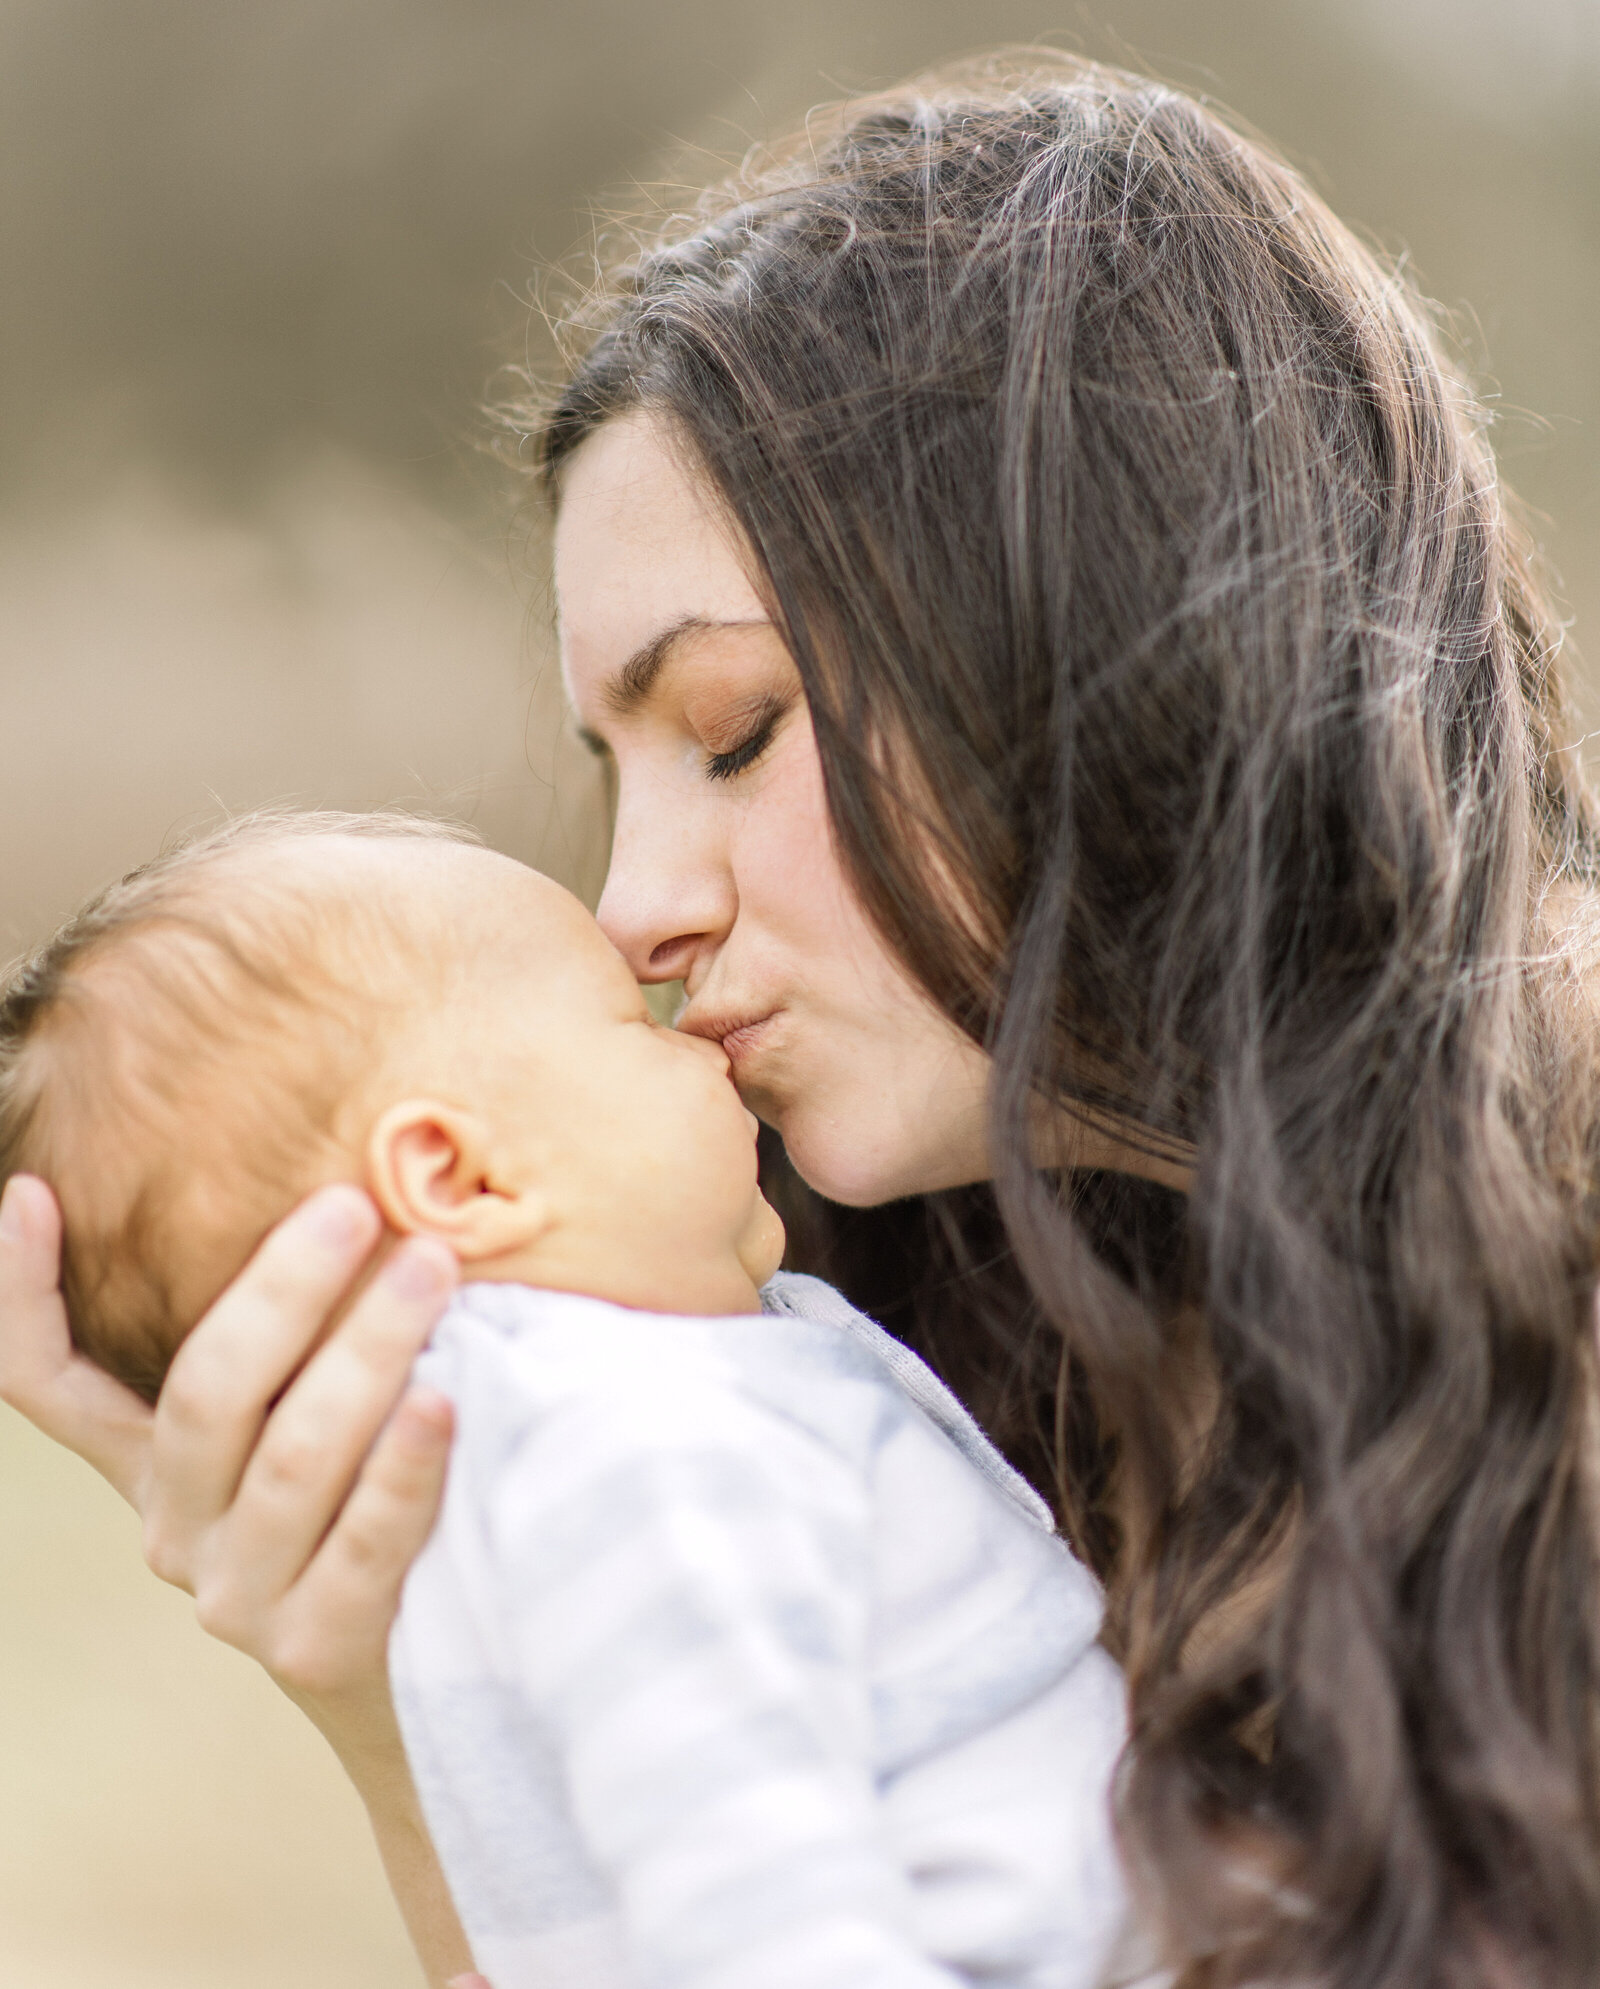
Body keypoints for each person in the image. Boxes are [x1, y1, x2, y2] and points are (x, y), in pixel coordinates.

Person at [3, 53, 1598, 1989]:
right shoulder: (848, 1313)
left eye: (735, 734)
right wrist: (394, 1677)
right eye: (617, 773)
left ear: (1078, 627)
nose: (632, 910)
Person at [0, 809, 1127, 1989]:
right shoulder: (634, 1442)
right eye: (628, 1028)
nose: (696, 1039)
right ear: (460, 1177)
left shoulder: (521, 1469)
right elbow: (747, 1873)